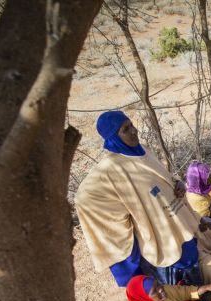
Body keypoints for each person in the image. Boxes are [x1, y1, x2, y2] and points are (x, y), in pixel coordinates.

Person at [75, 111, 203, 287]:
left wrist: (176, 183)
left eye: (131, 125)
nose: (133, 131)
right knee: (177, 278)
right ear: (113, 137)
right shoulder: (112, 168)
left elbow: (162, 177)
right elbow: (83, 197)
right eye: (125, 129)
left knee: (191, 257)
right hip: (160, 232)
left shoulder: (143, 151)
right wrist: (120, 218)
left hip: (176, 219)